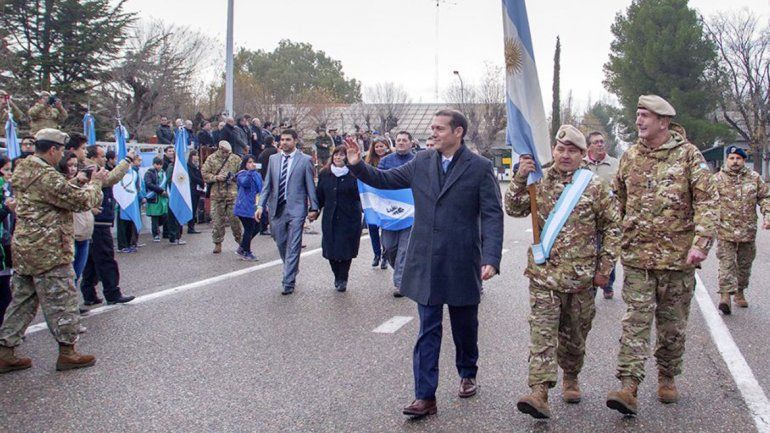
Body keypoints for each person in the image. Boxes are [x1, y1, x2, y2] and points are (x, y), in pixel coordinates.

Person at [346, 109, 504, 418]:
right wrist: (357, 165)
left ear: (458, 132)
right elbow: (384, 179)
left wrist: (491, 258)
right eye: (432, 128)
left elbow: (492, 214)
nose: (433, 133)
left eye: (439, 128)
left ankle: (467, 371)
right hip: (427, 260)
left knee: (464, 326)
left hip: (461, 260)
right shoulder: (421, 162)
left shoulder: (480, 168)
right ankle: (425, 396)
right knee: (428, 329)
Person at [606, 95, 717, 415]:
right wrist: (615, 241)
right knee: (635, 322)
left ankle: (667, 375)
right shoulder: (629, 156)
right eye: (638, 115)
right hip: (638, 258)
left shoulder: (688, 156)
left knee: (672, 326)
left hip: (677, 259)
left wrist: (701, 244)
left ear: (664, 122)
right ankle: (629, 385)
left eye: (645, 116)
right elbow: (619, 202)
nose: (639, 121)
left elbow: (708, 202)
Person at [505, 125, 621, 419]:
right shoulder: (537, 178)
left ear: (583, 155)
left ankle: (571, 376)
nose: (565, 155)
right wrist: (520, 176)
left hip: (581, 279)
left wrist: (604, 269)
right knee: (542, 336)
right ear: (553, 150)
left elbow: (612, 228)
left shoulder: (594, 186)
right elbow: (514, 208)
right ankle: (539, 392)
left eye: (572, 151)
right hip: (544, 276)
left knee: (574, 337)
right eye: (561, 149)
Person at [0, 128, 106, 374]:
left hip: (26, 246)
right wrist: (95, 183)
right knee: (63, 299)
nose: (61, 156)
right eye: (60, 151)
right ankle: (68, 352)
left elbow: (48, 196)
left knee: (22, 301)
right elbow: (80, 202)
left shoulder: (24, 168)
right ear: (53, 150)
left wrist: (75, 181)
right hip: (48, 248)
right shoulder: (46, 174)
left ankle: (5, 351)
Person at [257, 129, 319, 295]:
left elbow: (310, 185)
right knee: (280, 241)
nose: (284, 142)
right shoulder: (273, 159)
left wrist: (314, 207)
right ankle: (292, 266)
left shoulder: (305, 160)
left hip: (297, 209)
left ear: (295, 141)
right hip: (277, 208)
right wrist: (260, 205)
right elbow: (267, 184)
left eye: (288, 140)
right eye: (282, 140)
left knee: (293, 245)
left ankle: (288, 281)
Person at [714, 146, 770, 314]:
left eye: (738, 158)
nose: (735, 161)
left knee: (744, 266)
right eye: (731, 158)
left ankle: (739, 292)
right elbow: (706, 202)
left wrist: (767, 215)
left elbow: (765, 198)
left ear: (744, 160)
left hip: (748, 231)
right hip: (725, 230)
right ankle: (725, 296)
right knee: (726, 264)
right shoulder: (717, 179)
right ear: (727, 160)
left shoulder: (754, 178)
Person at [79, 145, 137, 306]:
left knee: (91, 259)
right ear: (93, 156)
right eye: (102, 155)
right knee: (105, 258)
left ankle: (89, 293)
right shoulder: (91, 169)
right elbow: (111, 178)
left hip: (96, 220)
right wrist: (127, 160)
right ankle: (112, 293)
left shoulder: (92, 167)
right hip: (98, 221)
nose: (105, 158)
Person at [317, 145, 362, 292]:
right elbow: (320, 196)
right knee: (331, 249)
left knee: (345, 249)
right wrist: (314, 210)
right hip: (330, 217)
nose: (338, 157)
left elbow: (360, 195)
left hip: (349, 218)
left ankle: (343, 277)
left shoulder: (354, 174)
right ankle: (336, 274)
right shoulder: (325, 173)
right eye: (336, 155)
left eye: (341, 155)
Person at [378, 131, 417, 297]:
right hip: (390, 213)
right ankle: (403, 272)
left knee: (404, 249)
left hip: (411, 212)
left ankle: (400, 283)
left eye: (404, 140)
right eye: (398, 140)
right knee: (389, 247)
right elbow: (377, 180)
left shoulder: (417, 160)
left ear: (410, 143)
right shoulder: (385, 161)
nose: (401, 143)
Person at [583, 131, 620, 299]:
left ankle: (608, 283)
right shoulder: (582, 165)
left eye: (602, 141)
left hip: (609, 216)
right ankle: (591, 287)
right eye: (596, 142)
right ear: (588, 146)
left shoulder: (615, 164)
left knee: (608, 251)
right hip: (588, 218)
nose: (600, 144)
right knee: (591, 252)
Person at [202, 141, 243, 253]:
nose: (226, 154)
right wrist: (216, 177)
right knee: (217, 221)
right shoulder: (211, 159)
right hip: (217, 195)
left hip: (232, 194)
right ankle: (217, 243)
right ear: (219, 149)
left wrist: (234, 177)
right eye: (224, 152)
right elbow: (204, 173)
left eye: (228, 152)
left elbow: (242, 173)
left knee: (235, 220)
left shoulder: (235, 159)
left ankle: (241, 243)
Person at [363, 138, 392, 268]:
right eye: (377, 147)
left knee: (386, 229)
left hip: (388, 199)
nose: (379, 149)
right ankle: (376, 254)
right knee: (373, 228)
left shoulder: (392, 159)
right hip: (373, 199)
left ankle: (386, 255)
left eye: (382, 146)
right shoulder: (368, 162)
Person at [234, 155, 263, 261]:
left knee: (258, 227)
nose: (252, 164)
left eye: (253, 162)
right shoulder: (242, 174)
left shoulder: (257, 175)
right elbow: (244, 183)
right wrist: (250, 172)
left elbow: (261, 188)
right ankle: (246, 251)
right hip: (244, 206)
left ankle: (243, 247)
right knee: (249, 228)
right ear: (245, 164)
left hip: (254, 205)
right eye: (249, 162)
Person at [0, 156, 14, 328]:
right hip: (1, 247)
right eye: (6, 169)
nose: (10, 173)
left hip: (5, 244)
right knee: (4, 294)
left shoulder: (7, 188)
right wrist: (6, 208)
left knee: (6, 293)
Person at [257, 136, 278, 235]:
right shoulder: (275, 152)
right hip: (274, 180)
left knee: (264, 204)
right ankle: (273, 227)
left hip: (264, 179)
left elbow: (259, 167)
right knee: (273, 205)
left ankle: (263, 227)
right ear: (273, 142)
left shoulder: (262, 153)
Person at [145, 157, 170, 242]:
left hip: (162, 198)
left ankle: (164, 232)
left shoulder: (163, 173)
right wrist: (160, 191)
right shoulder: (149, 173)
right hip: (154, 198)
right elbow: (149, 184)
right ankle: (155, 234)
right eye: (157, 164)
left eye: (160, 164)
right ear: (153, 164)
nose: (159, 166)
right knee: (155, 217)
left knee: (165, 215)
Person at [187, 150, 205, 234]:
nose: (197, 157)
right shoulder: (189, 166)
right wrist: (201, 182)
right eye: (195, 155)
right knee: (192, 208)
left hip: (197, 189)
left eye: (197, 155)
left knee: (195, 208)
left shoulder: (197, 165)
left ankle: (192, 226)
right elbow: (193, 177)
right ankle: (190, 227)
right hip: (192, 189)